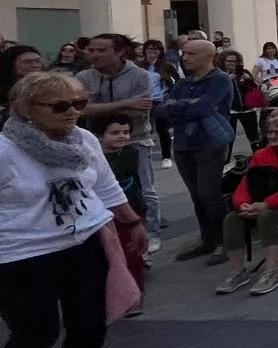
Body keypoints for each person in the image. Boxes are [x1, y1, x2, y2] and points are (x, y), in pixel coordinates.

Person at [0, 73, 145, 348]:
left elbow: (106, 185)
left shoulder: (82, 140)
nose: (72, 113)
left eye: (79, 104)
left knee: (90, 323)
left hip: (84, 242)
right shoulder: (5, 150)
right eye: (60, 106)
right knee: (37, 329)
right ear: (28, 109)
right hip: (22, 253)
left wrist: (132, 222)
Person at [77, 33, 160, 262]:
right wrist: (125, 103)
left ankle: (148, 235)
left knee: (143, 188)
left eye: (101, 50)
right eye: (91, 50)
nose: (93, 55)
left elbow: (139, 111)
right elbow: (81, 111)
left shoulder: (140, 76)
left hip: (135, 139)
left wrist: (98, 107)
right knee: (101, 190)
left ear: (119, 52)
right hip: (96, 142)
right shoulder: (84, 76)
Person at [214, 114, 278, 296]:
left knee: (267, 216)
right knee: (232, 218)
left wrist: (267, 204)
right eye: (270, 132)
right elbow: (246, 182)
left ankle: (272, 271)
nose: (273, 136)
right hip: (262, 202)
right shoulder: (261, 154)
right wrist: (242, 204)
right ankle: (238, 272)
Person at [155, 38, 237, 264]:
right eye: (185, 53)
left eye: (191, 54)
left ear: (207, 56)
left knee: (209, 194)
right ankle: (207, 239)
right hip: (183, 143)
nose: (185, 57)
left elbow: (204, 107)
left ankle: (224, 242)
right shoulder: (184, 83)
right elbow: (162, 112)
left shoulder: (219, 80)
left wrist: (179, 107)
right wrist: (185, 107)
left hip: (209, 143)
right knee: (196, 195)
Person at [88, 114, 147, 297]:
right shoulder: (92, 156)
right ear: (99, 136)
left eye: (126, 132)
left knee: (131, 250)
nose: (123, 136)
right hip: (105, 211)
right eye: (115, 133)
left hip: (132, 207)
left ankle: (135, 292)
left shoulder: (130, 152)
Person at [138, 39, 179, 172]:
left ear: (160, 52)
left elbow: (177, 83)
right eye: (149, 50)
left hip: (159, 101)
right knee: (143, 130)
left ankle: (166, 157)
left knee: (162, 129)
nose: (152, 53)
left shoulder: (166, 66)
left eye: (156, 50)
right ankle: (143, 157)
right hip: (141, 101)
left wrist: (170, 96)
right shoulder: (137, 66)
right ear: (145, 51)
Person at [0, 44, 43, 125]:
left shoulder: (49, 87)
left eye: (38, 61)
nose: (35, 65)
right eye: (27, 62)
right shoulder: (3, 91)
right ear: (12, 65)